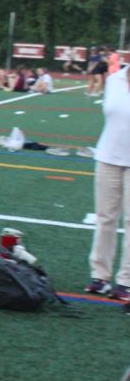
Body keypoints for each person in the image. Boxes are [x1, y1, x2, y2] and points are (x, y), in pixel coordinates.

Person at [85, 60, 130, 301]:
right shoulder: (114, 80)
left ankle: (126, 281)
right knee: (105, 218)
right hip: (107, 157)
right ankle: (100, 276)